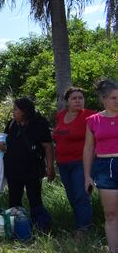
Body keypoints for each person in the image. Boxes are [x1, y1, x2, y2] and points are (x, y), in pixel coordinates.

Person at [0, 97, 55, 232]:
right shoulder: (11, 124)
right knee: (14, 201)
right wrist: (1, 146)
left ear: (24, 110)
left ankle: (41, 228)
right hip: (13, 169)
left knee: (35, 200)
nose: (13, 112)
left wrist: (50, 167)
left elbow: (48, 146)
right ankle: (17, 229)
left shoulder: (39, 124)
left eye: (16, 109)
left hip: (32, 169)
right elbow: (6, 144)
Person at [52, 87, 96, 234]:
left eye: (80, 98)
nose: (78, 101)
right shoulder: (60, 116)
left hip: (81, 163)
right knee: (72, 197)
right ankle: (82, 225)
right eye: (74, 98)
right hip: (63, 164)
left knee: (81, 195)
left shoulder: (91, 116)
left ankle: (84, 229)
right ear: (67, 102)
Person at [84, 79, 118, 253]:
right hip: (104, 167)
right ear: (103, 99)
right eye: (113, 98)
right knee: (111, 214)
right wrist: (87, 176)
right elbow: (88, 149)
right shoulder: (93, 120)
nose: (117, 101)